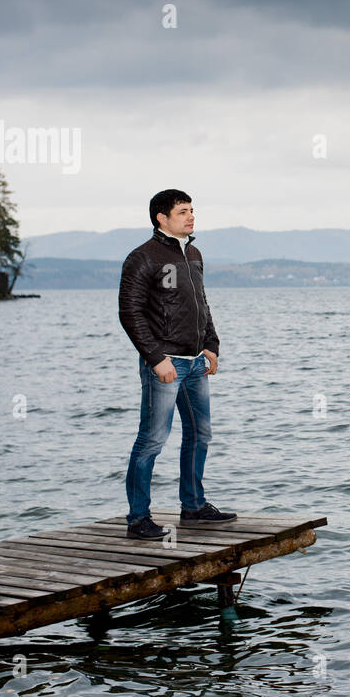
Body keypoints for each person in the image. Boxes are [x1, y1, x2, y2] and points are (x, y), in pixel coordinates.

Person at [117, 189, 236, 539]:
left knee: (200, 435)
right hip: (166, 365)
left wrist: (211, 345)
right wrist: (156, 358)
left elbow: (201, 303)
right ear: (161, 218)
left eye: (192, 210)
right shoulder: (143, 257)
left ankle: (194, 506)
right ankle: (139, 519)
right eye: (183, 211)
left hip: (197, 362)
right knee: (152, 440)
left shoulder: (194, 253)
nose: (191, 216)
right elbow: (130, 312)